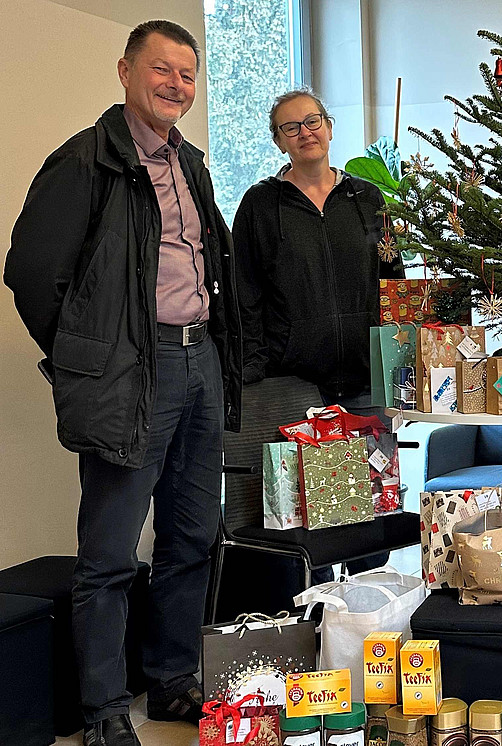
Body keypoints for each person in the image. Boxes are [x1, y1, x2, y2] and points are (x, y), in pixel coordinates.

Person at [4, 20, 242, 746]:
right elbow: (31, 276)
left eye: (187, 75)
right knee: (108, 555)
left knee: (192, 536)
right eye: (163, 70)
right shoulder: (85, 162)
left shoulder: (190, 163)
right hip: (130, 374)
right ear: (126, 71)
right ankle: (105, 710)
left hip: (199, 362)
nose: (177, 85)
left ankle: (171, 682)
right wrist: (92, 355)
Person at [233, 89, 404, 574]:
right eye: (291, 127)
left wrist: (398, 360)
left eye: (312, 121)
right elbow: (244, 292)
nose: (305, 132)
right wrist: (255, 366)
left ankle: (370, 612)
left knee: (370, 507)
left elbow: (393, 280)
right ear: (279, 141)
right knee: (306, 513)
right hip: (292, 382)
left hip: (365, 379)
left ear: (329, 127)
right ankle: (317, 614)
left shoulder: (366, 199)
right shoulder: (262, 205)